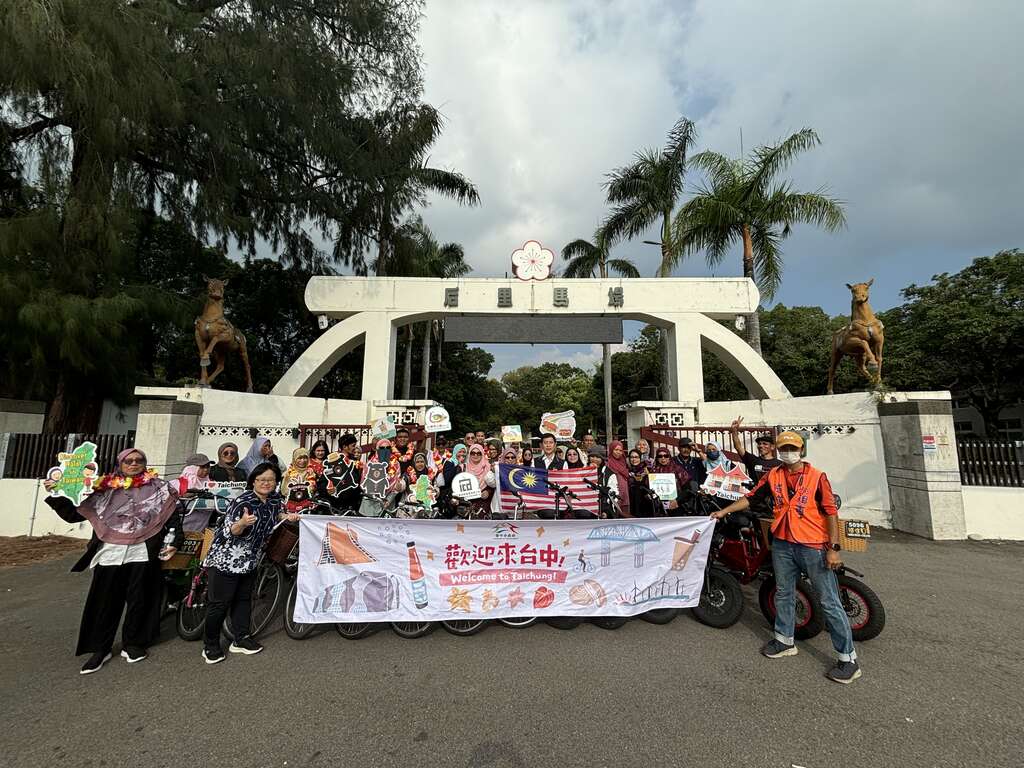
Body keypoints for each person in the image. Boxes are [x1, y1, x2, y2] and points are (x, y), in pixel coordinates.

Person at [710, 431, 860, 684]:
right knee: (784, 593)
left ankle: (848, 659)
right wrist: (724, 511)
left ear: (801, 450)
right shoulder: (774, 475)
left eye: (792, 448)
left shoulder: (817, 477)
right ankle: (784, 640)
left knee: (828, 600)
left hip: (812, 545)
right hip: (782, 543)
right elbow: (751, 498)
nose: (788, 452)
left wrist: (834, 548)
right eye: (784, 449)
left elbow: (830, 512)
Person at [43, 448, 182, 674]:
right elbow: (75, 513)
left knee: (141, 599)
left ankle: (134, 643)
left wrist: (175, 540)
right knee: (105, 601)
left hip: (143, 551)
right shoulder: (103, 488)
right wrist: (57, 493)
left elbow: (172, 518)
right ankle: (100, 648)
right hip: (110, 551)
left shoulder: (160, 488)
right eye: (129, 460)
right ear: (120, 463)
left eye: (139, 460)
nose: (134, 464)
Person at [201, 462, 298, 663]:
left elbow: (276, 514)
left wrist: (288, 516)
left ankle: (241, 638)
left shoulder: (274, 500)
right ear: (253, 481)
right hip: (226, 559)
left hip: (251, 560)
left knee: (244, 599)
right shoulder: (242, 502)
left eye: (270, 480)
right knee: (220, 604)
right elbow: (230, 530)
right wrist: (242, 523)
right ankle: (210, 645)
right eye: (262, 479)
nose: (266, 483)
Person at [730, 417, 782, 485]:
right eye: (759, 444)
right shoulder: (753, 460)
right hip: (755, 491)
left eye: (765, 444)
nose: (761, 446)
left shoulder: (779, 464)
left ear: (772, 447)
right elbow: (738, 447)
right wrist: (734, 431)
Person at [319, 434, 362, 513]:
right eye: (353, 446)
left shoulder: (355, 462)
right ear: (345, 447)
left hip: (350, 505)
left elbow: (357, 481)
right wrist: (327, 490)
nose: (354, 448)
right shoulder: (331, 461)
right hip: (334, 505)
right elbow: (323, 481)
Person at [651, 448, 692, 512]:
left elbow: (687, 489)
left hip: (676, 504)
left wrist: (677, 500)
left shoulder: (678, 469)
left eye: (666, 456)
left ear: (669, 457)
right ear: (657, 458)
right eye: (660, 456)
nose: (663, 458)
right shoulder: (653, 471)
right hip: (657, 506)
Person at [587, 447, 622, 518]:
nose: (594, 459)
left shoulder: (609, 474)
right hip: (586, 508)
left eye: (597, 457)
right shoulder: (583, 470)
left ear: (602, 459)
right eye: (592, 456)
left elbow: (613, 494)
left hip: (603, 508)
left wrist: (606, 511)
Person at [281, 447, 318, 513]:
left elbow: (313, 490)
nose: (303, 461)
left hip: (308, 508)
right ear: (294, 459)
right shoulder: (287, 474)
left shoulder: (312, 473)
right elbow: (284, 492)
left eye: (305, 458)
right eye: (299, 458)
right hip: (290, 507)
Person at [438, 443, 468, 517]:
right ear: (455, 452)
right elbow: (447, 479)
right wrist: (458, 465)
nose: (462, 454)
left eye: (464, 452)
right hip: (450, 496)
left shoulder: (467, 464)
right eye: (459, 452)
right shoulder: (449, 462)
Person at [605, 440, 632, 517]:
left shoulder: (624, 463)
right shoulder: (607, 463)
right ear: (611, 450)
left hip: (624, 494)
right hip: (614, 494)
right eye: (616, 450)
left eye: (620, 450)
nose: (618, 452)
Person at [626, 449, 655, 516]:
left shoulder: (647, 470)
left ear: (640, 458)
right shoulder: (627, 470)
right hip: (632, 504)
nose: (634, 459)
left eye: (636, 457)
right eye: (632, 457)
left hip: (645, 505)